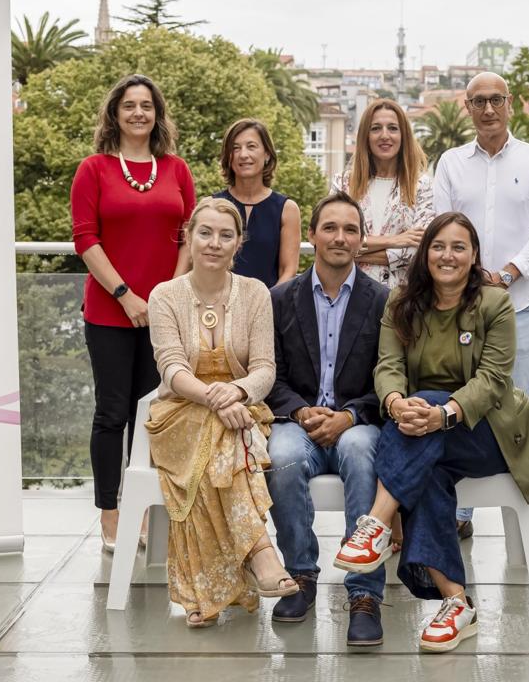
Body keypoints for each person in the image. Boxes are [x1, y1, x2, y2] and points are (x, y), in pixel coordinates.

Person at [331, 212, 529, 653]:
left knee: (425, 404)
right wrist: (394, 403)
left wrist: (442, 413)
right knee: (425, 465)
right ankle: (455, 603)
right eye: (438, 246)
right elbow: (387, 367)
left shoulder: (494, 303)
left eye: (458, 247)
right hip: (423, 432)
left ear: (473, 256)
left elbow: (493, 380)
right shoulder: (401, 303)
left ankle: (376, 523)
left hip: (491, 432)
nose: (447, 255)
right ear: (425, 252)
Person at [146, 198, 299, 628]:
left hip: (242, 407)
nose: (214, 243)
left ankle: (204, 594)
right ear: (189, 238)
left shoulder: (254, 294)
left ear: (239, 244)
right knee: (223, 431)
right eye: (205, 233)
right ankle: (261, 553)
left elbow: (265, 370)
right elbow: (172, 369)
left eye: (225, 235)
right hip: (179, 413)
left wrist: (233, 393)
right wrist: (218, 400)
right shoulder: (165, 296)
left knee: (222, 442)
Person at [70, 74, 195, 551]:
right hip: (109, 311)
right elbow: (85, 238)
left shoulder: (176, 169)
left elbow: (188, 234)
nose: (139, 113)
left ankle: (147, 509)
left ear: (157, 114)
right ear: (115, 115)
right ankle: (111, 513)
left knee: (154, 415)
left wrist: (165, 294)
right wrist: (126, 294)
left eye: (147, 105)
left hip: (163, 313)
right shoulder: (94, 169)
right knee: (112, 413)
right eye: (130, 106)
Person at [433, 72, 529, 537]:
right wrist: (468, 276)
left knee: (516, 408)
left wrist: (504, 274)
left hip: (518, 304)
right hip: (458, 308)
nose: (488, 109)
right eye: (479, 101)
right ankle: (460, 514)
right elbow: (441, 227)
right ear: (467, 107)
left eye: (496, 100)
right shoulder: (450, 163)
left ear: (510, 105)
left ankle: (518, 517)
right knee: (460, 403)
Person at [264, 193, 390, 646]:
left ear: (360, 241)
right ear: (313, 235)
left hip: (356, 423)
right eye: (330, 228)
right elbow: (269, 374)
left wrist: (350, 415)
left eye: (351, 230)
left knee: (361, 451)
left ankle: (364, 595)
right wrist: (299, 410)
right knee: (280, 455)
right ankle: (301, 575)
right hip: (298, 420)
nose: (340, 237)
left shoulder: (383, 302)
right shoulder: (280, 298)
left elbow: (391, 380)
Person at [332, 99, 434, 289]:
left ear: (403, 135)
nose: (384, 135)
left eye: (393, 128)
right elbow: (333, 241)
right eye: (376, 128)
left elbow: (420, 250)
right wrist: (394, 241)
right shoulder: (343, 183)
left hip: (402, 300)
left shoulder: (422, 186)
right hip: (349, 295)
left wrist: (355, 252)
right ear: (365, 136)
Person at [215, 118, 301, 287]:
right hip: (219, 307)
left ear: (267, 153)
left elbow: (288, 271)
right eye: (235, 148)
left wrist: (264, 304)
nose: (243, 154)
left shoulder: (287, 210)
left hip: (270, 306)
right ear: (228, 156)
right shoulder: (213, 206)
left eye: (251, 146)